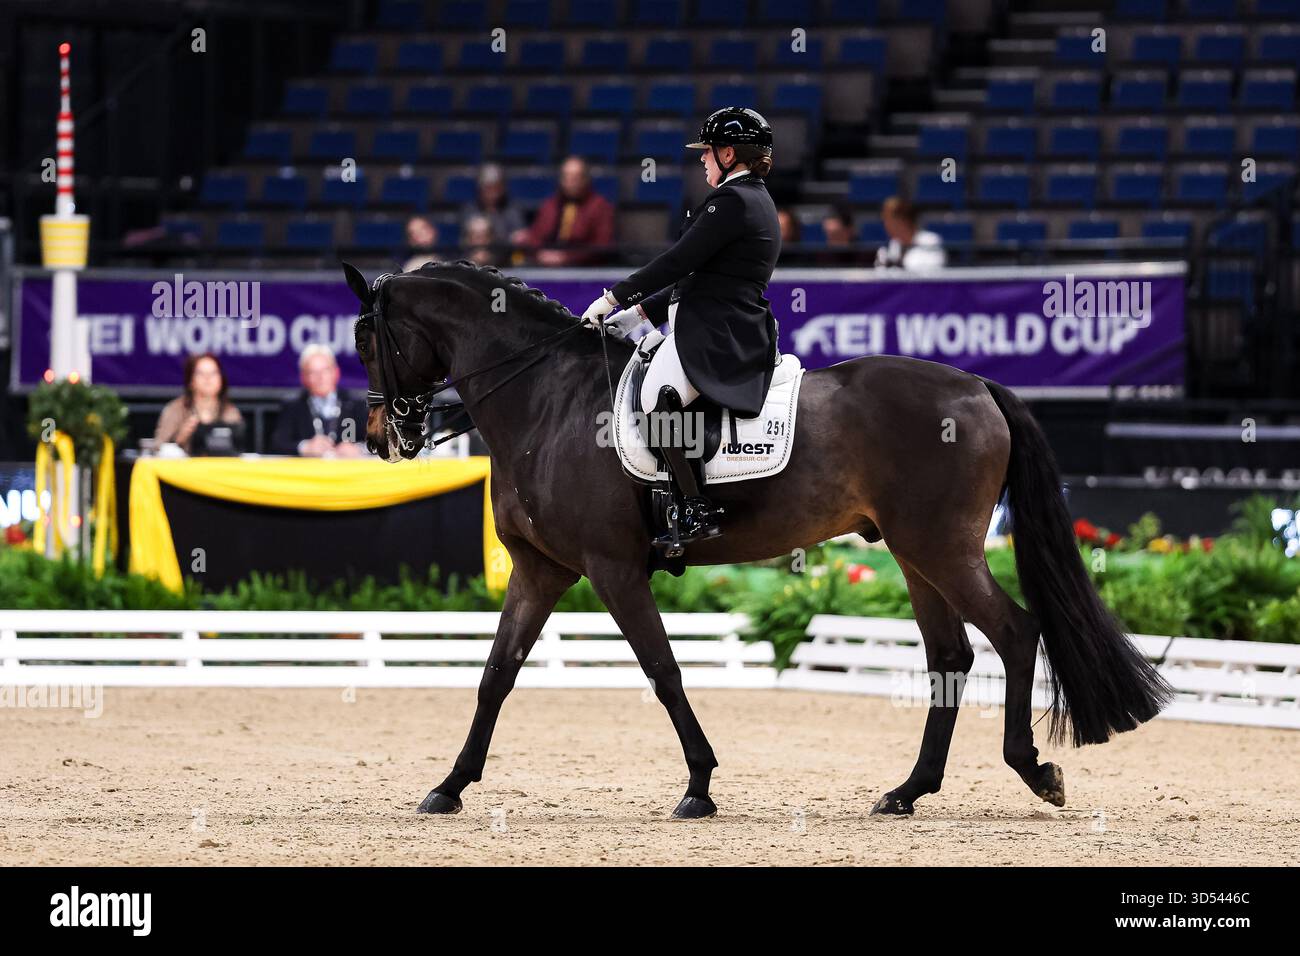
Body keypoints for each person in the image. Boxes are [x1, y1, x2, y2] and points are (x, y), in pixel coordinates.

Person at [581, 107, 781, 554]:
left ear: (729, 153)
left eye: (708, 153)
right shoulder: (750, 198)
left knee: (655, 398)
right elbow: (696, 277)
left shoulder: (733, 202)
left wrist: (615, 298)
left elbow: (677, 262)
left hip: (720, 334)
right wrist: (642, 315)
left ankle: (694, 506)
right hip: (720, 325)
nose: (703, 161)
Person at [513, 156, 615, 266]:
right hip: (545, 266)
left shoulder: (600, 206)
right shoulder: (550, 205)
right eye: (567, 177)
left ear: (586, 179)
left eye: (576, 178)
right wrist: (540, 253)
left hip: (584, 270)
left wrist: (566, 258)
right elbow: (536, 234)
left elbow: (602, 244)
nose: (571, 183)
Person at [270, 344, 369, 457]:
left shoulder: (356, 404)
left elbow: (381, 444)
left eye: (325, 370)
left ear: (336, 373)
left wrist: (359, 449)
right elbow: (277, 443)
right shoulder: (293, 407)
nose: (320, 377)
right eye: (313, 372)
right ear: (303, 378)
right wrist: (305, 447)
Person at [153, 353, 243, 454]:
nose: (208, 378)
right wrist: (179, 439)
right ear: (190, 381)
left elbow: (239, 448)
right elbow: (157, 449)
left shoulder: (230, 411)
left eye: (213, 373)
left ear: (221, 379)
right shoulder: (176, 409)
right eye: (200, 373)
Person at [460, 163, 524, 247]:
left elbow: (519, 235)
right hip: (475, 254)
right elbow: (467, 238)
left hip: (506, 255)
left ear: (503, 188)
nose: (493, 193)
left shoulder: (511, 208)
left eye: (496, 188)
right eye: (488, 188)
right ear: (480, 189)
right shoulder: (470, 209)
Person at [875, 196, 946, 270]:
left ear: (902, 221)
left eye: (889, 221)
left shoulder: (930, 241)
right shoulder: (893, 245)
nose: (886, 225)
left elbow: (935, 272)